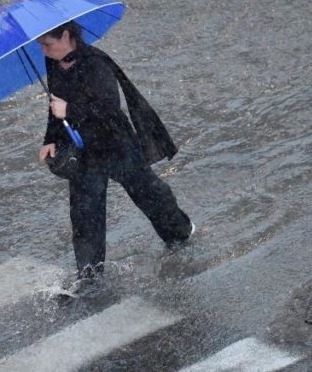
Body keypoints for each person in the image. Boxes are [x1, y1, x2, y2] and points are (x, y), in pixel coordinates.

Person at [37, 21, 194, 281]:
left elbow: (108, 108)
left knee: (148, 193)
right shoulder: (53, 62)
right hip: (83, 151)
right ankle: (89, 275)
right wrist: (50, 138)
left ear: (66, 35)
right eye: (40, 45)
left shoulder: (96, 63)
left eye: (47, 44)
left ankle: (181, 233)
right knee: (85, 214)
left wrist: (70, 110)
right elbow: (55, 106)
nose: (43, 50)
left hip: (116, 144)